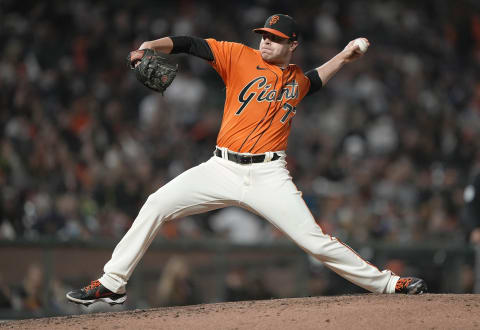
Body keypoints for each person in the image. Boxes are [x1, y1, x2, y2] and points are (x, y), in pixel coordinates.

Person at [66, 14, 427, 306]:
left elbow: (313, 81)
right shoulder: (239, 57)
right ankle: (113, 284)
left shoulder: (295, 78)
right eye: (264, 36)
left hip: (269, 174)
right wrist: (149, 45)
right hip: (220, 168)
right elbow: (192, 44)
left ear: (292, 45)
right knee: (157, 203)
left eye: (274, 38)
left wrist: (345, 58)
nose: (266, 41)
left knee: (315, 241)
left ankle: (388, 284)